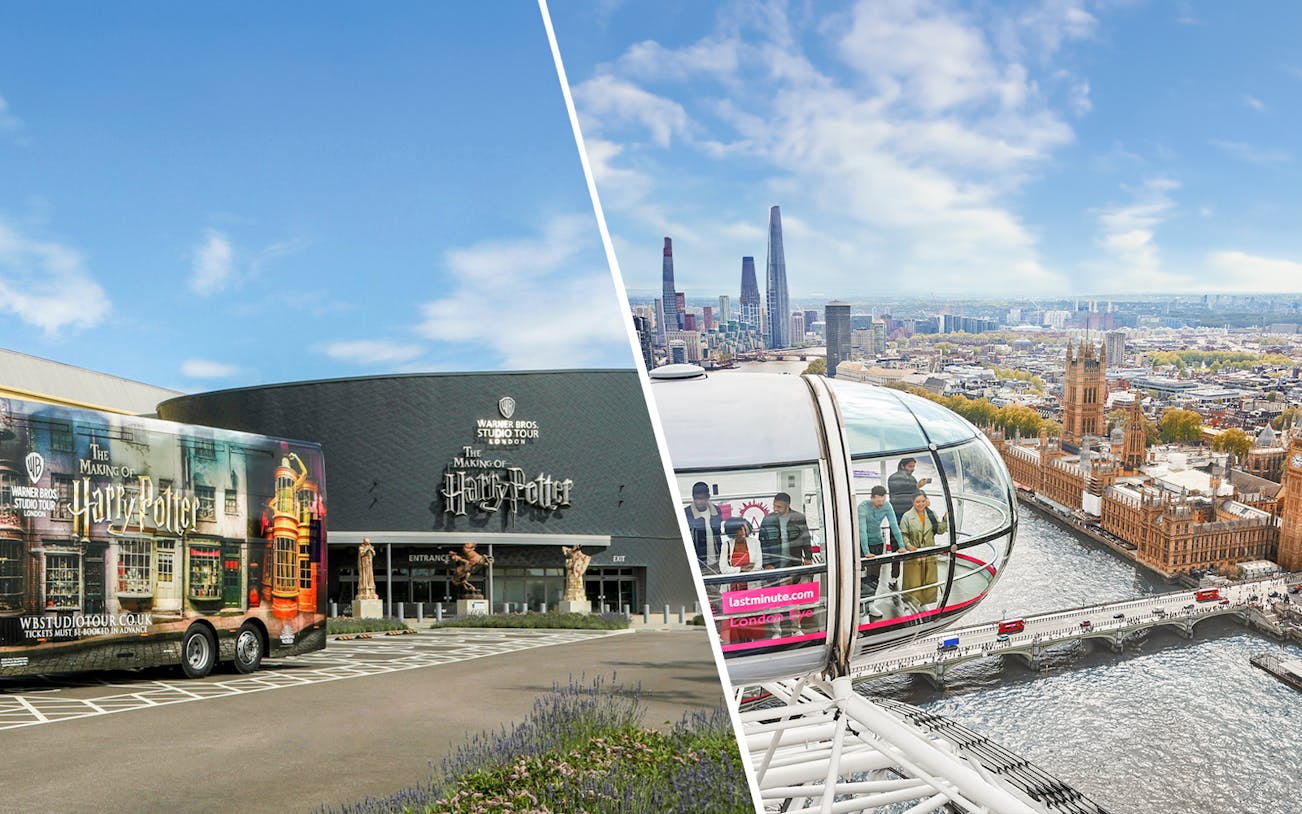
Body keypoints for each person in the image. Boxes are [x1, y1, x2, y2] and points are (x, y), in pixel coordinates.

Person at [719, 519, 765, 643]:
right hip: (733, 591)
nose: (742, 532)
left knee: (752, 622)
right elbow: (723, 569)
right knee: (735, 623)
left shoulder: (755, 543)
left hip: (751, 589)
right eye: (739, 529)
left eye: (744, 528)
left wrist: (736, 569)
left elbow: (758, 566)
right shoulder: (726, 545)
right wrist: (741, 569)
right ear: (732, 531)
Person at [899, 492, 948, 608]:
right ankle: (910, 603)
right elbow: (903, 535)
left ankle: (925, 602)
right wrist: (909, 546)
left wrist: (945, 520)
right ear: (913, 502)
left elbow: (939, 531)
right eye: (917, 502)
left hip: (929, 552)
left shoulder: (931, 514)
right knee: (914, 581)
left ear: (926, 501)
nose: (920, 504)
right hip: (914, 553)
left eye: (923, 501)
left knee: (928, 579)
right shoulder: (907, 516)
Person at [857, 485, 902, 604]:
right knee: (859, 575)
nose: (880, 503)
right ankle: (858, 602)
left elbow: (894, 526)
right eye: (878, 501)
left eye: (883, 500)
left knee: (874, 576)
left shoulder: (887, 505)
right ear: (871, 498)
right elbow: (862, 530)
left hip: (877, 542)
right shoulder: (862, 507)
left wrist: (901, 546)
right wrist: (866, 552)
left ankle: (870, 603)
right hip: (861, 544)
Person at [758, 492, 812, 569]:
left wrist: (808, 558)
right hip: (774, 564)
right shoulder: (767, 520)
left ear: (788, 505)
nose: (775, 509)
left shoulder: (799, 518)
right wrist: (766, 564)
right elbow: (762, 544)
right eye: (774, 506)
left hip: (794, 562)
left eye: (779, 507)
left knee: (795, 580)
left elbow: (806, 540)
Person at [683, 481, 724, 572]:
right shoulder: (686, 514)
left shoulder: (717, 511)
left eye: (702, 498)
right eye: (697, 499)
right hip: (698, 565)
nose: (699, 502)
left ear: (708, 497)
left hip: (717, 563)